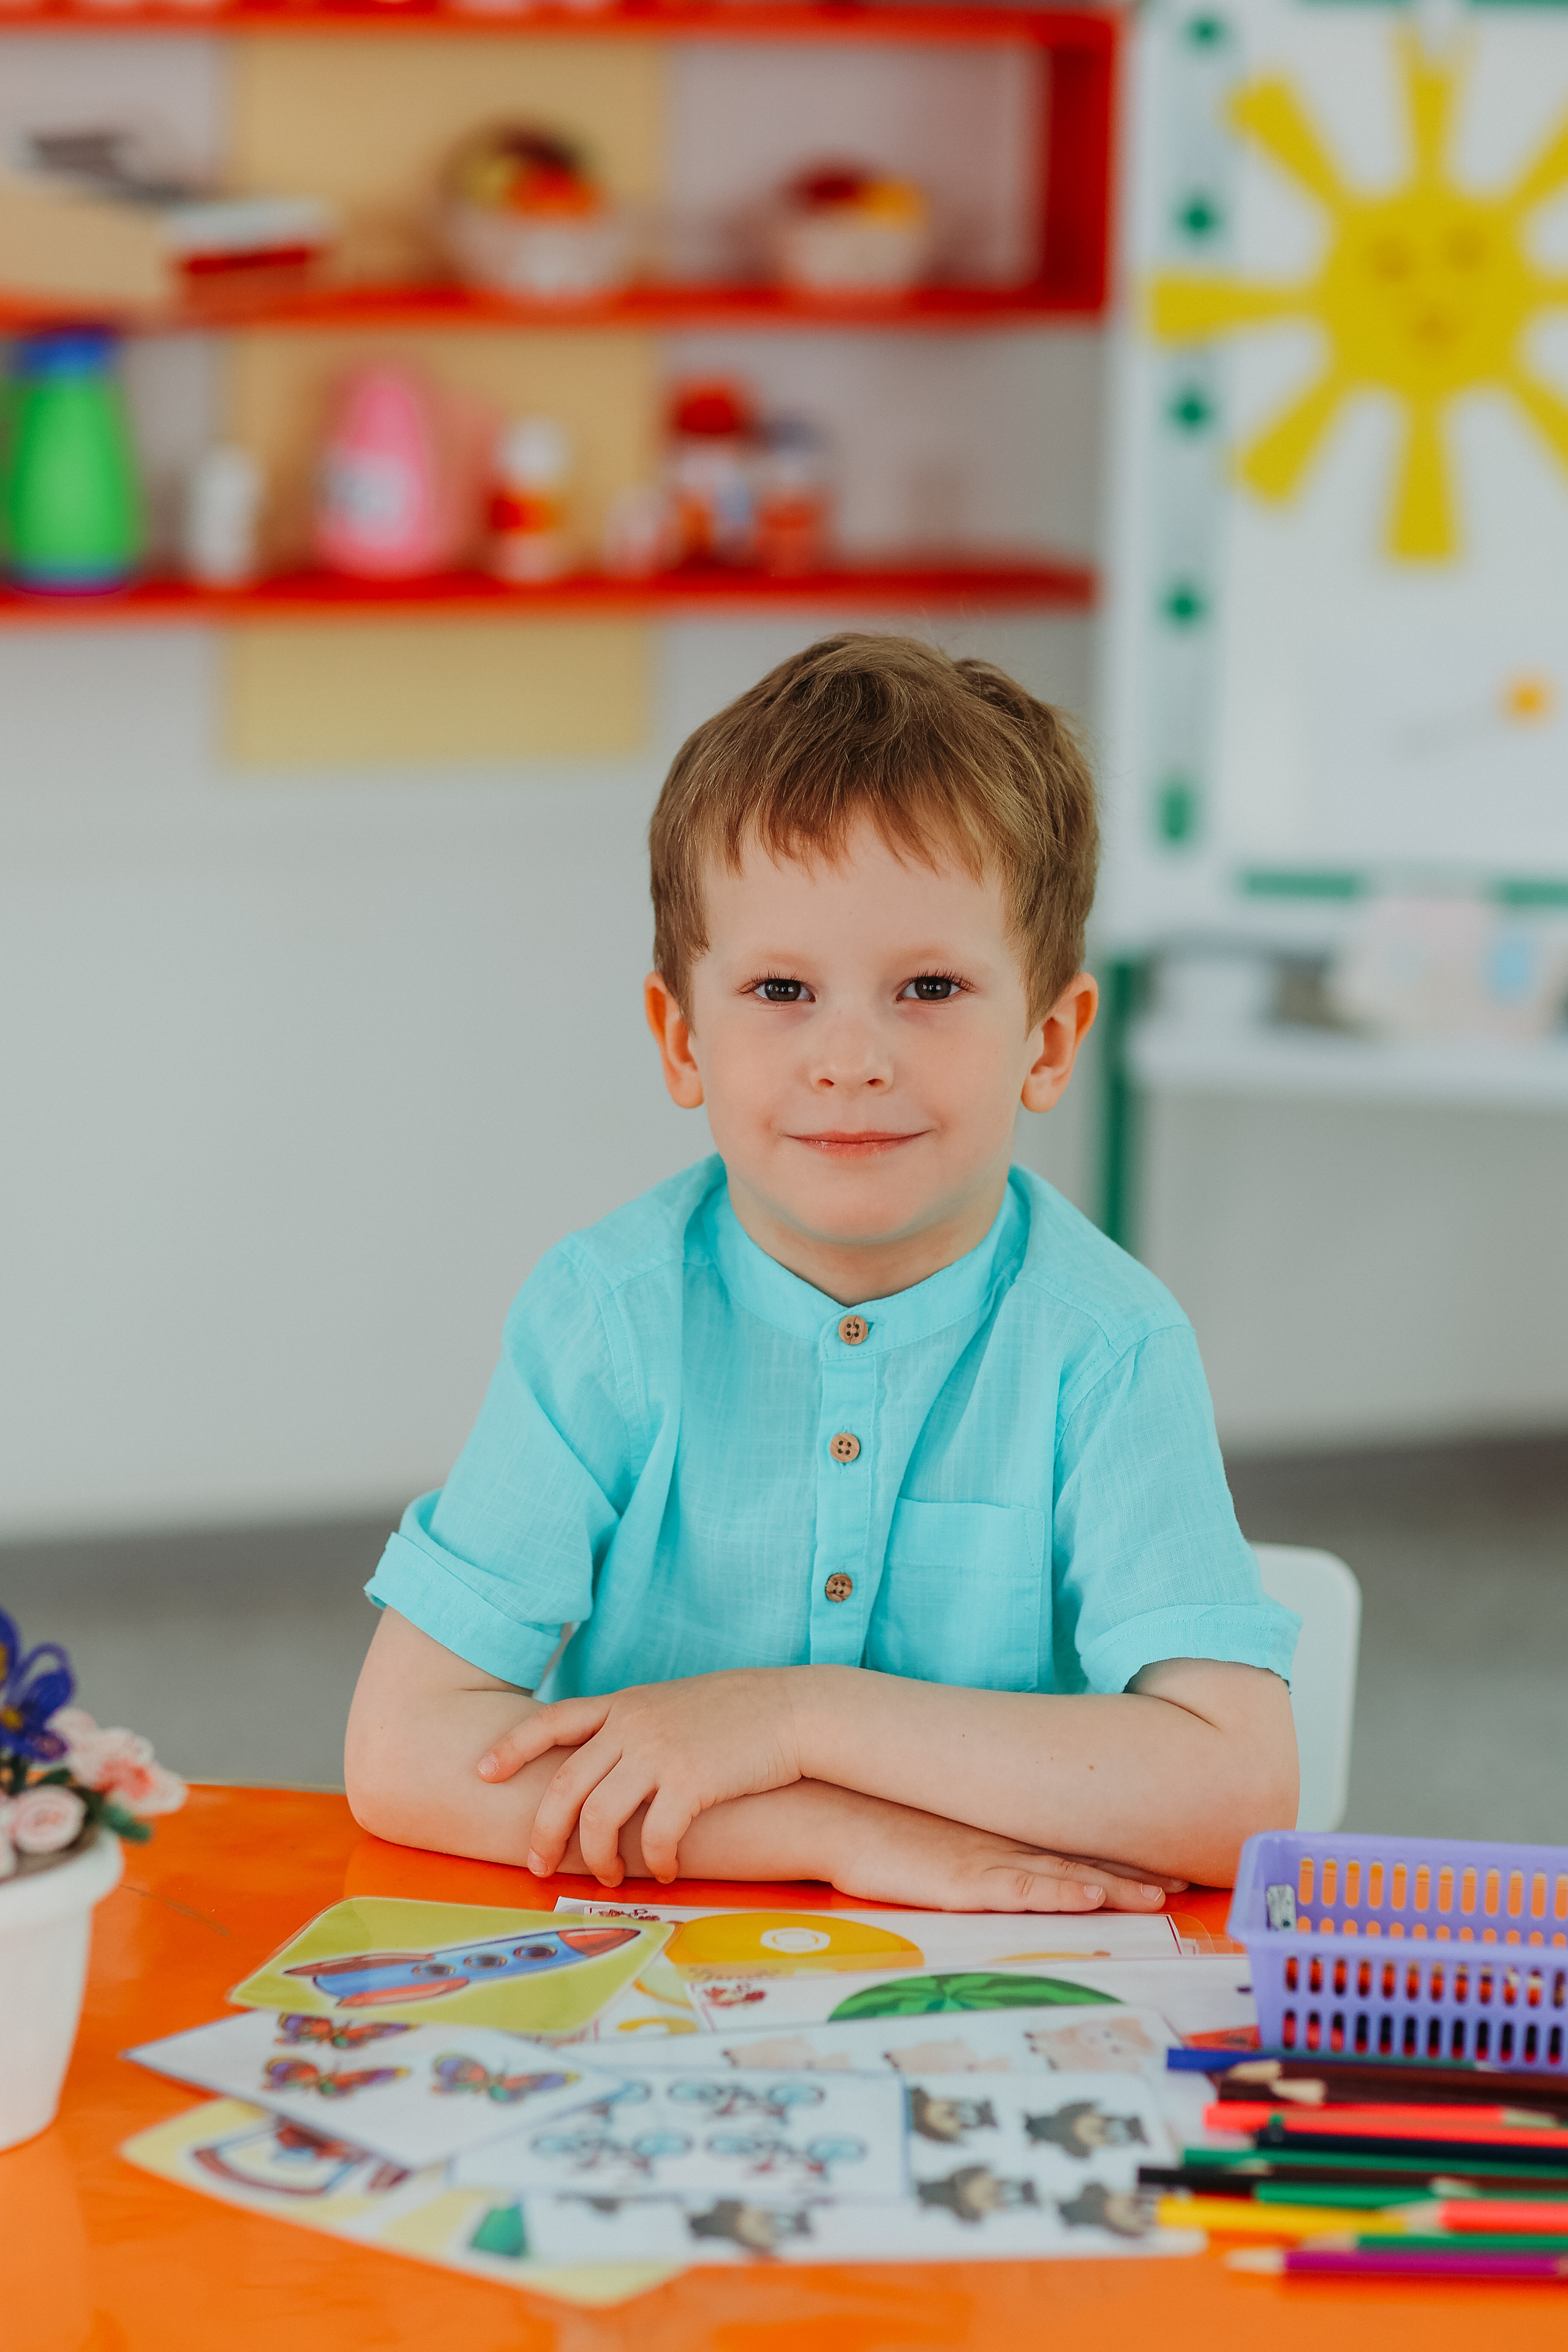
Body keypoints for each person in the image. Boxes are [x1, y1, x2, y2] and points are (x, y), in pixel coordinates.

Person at [345, 634, 1299, 1910]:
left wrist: (793, 1718)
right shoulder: (604, 1317)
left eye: (929, 986)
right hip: (657, 1965)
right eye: (782, 987)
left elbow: (1238, 1794)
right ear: (681, 1039)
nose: (851, 1059)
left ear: (1049, 1038)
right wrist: (828, 1833)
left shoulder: (1108, 1345)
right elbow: (400, 1751)